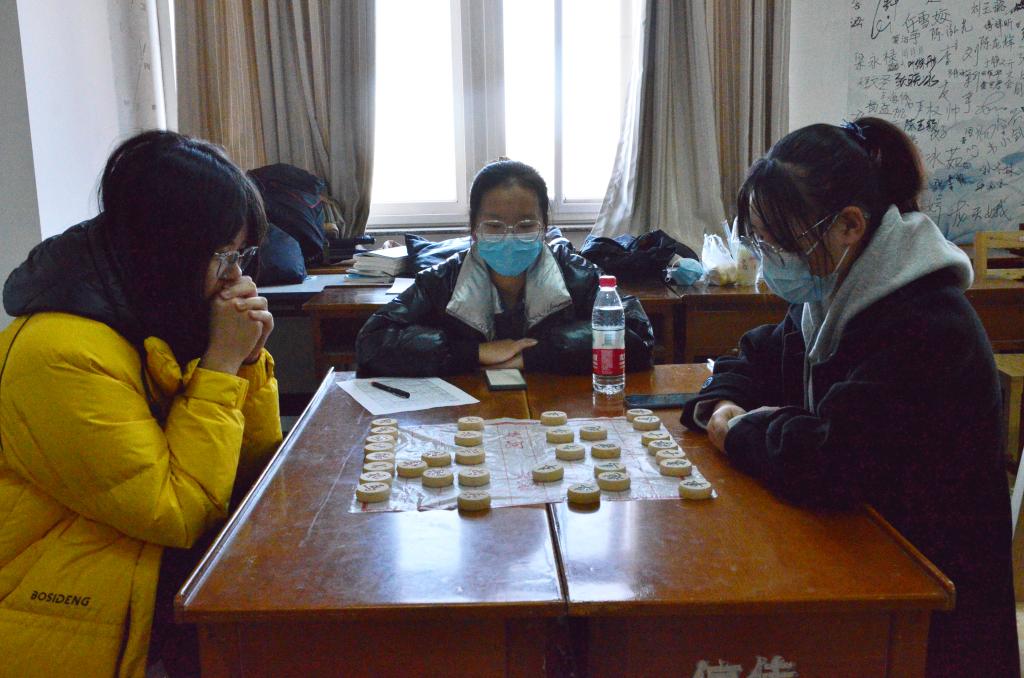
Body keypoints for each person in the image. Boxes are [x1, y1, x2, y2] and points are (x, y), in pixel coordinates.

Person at [681, 117, 1019, 676]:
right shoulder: (831, 294)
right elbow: (755, 358)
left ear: (849, 226)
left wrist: (740, 430)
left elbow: (833, 461)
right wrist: (723, 407)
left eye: (778, 240)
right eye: (758, 239)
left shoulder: (927, 323)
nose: (767, 259)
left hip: (929, 595)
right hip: (858, 550)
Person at [0, 130, 282, 677]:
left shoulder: (158, 313)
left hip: (143, 579)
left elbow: (250, 473)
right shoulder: (59, 353)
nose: (236, 276)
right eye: (224, 256)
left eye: (241, 255)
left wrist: (247, 363)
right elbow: (178, 512)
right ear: (168, 250)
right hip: (70, 614)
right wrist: (221, 366)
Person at [356, 160, 655, 376]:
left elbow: (637, 334)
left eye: (525, 225)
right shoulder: (442, 279)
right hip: (469, 416)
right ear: (473, 229)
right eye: (494, 225)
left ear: (545, 227)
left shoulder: (576, 273)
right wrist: (474, 353)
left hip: (556, 413)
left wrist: (534, 356)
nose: (510, 236)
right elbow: (372, 341)